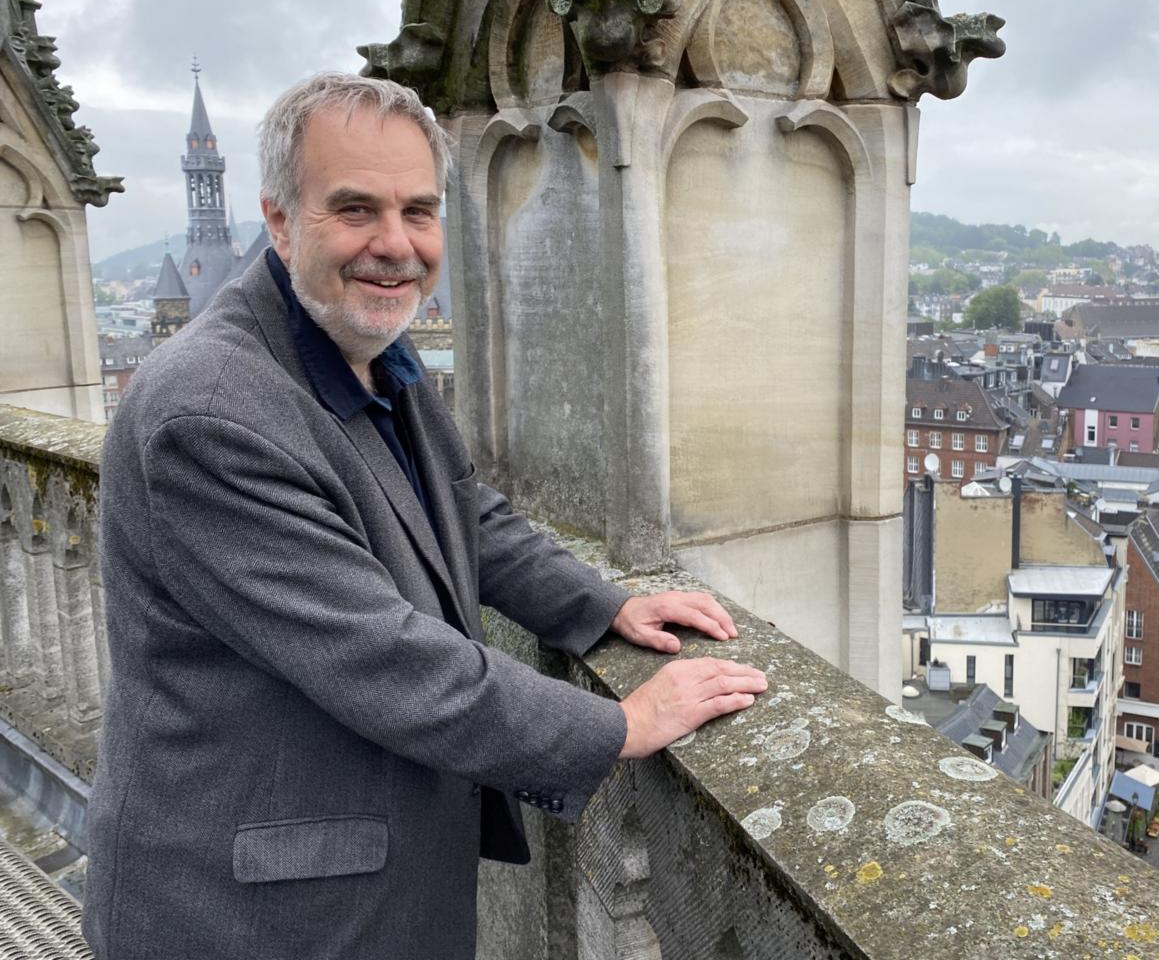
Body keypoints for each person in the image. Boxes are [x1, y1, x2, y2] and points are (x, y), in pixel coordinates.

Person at [82, 73, 768, 960]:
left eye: (419, 210)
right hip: (250, 917)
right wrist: (616, 726)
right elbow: (377, 654)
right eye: (356, 209)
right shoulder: (210, 413)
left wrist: (599, 607)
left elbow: (459, 506)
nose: (395, 244)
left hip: (348, 883)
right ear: (282, 220)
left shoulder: (358, 346)